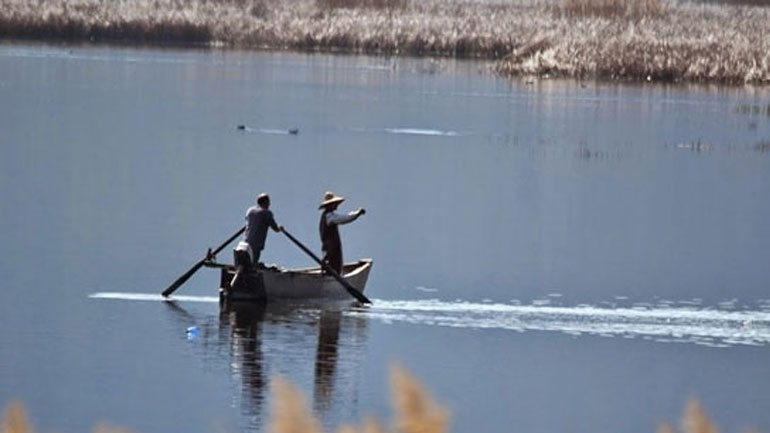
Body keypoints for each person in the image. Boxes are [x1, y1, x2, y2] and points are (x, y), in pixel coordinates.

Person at [318, 191, 365, 275]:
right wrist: (357, 213)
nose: (336, 205)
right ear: (329, 205)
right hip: (330, 249)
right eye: (334, 204)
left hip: (330, 248)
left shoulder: (327, 216)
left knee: (334, 267)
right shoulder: (329, 216)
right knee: (333, 267)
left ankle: (333, 275)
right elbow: (344, 218)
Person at [242, 192, 283, 268]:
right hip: (256, 243)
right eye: (268, 202)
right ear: (265, 202)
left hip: (246, 242)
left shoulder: (250, 211)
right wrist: (280, 228)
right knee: (253, 264)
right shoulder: (266, 213)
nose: (269, 204)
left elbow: (248, 220)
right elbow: (275, 228)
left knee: (248, 262)